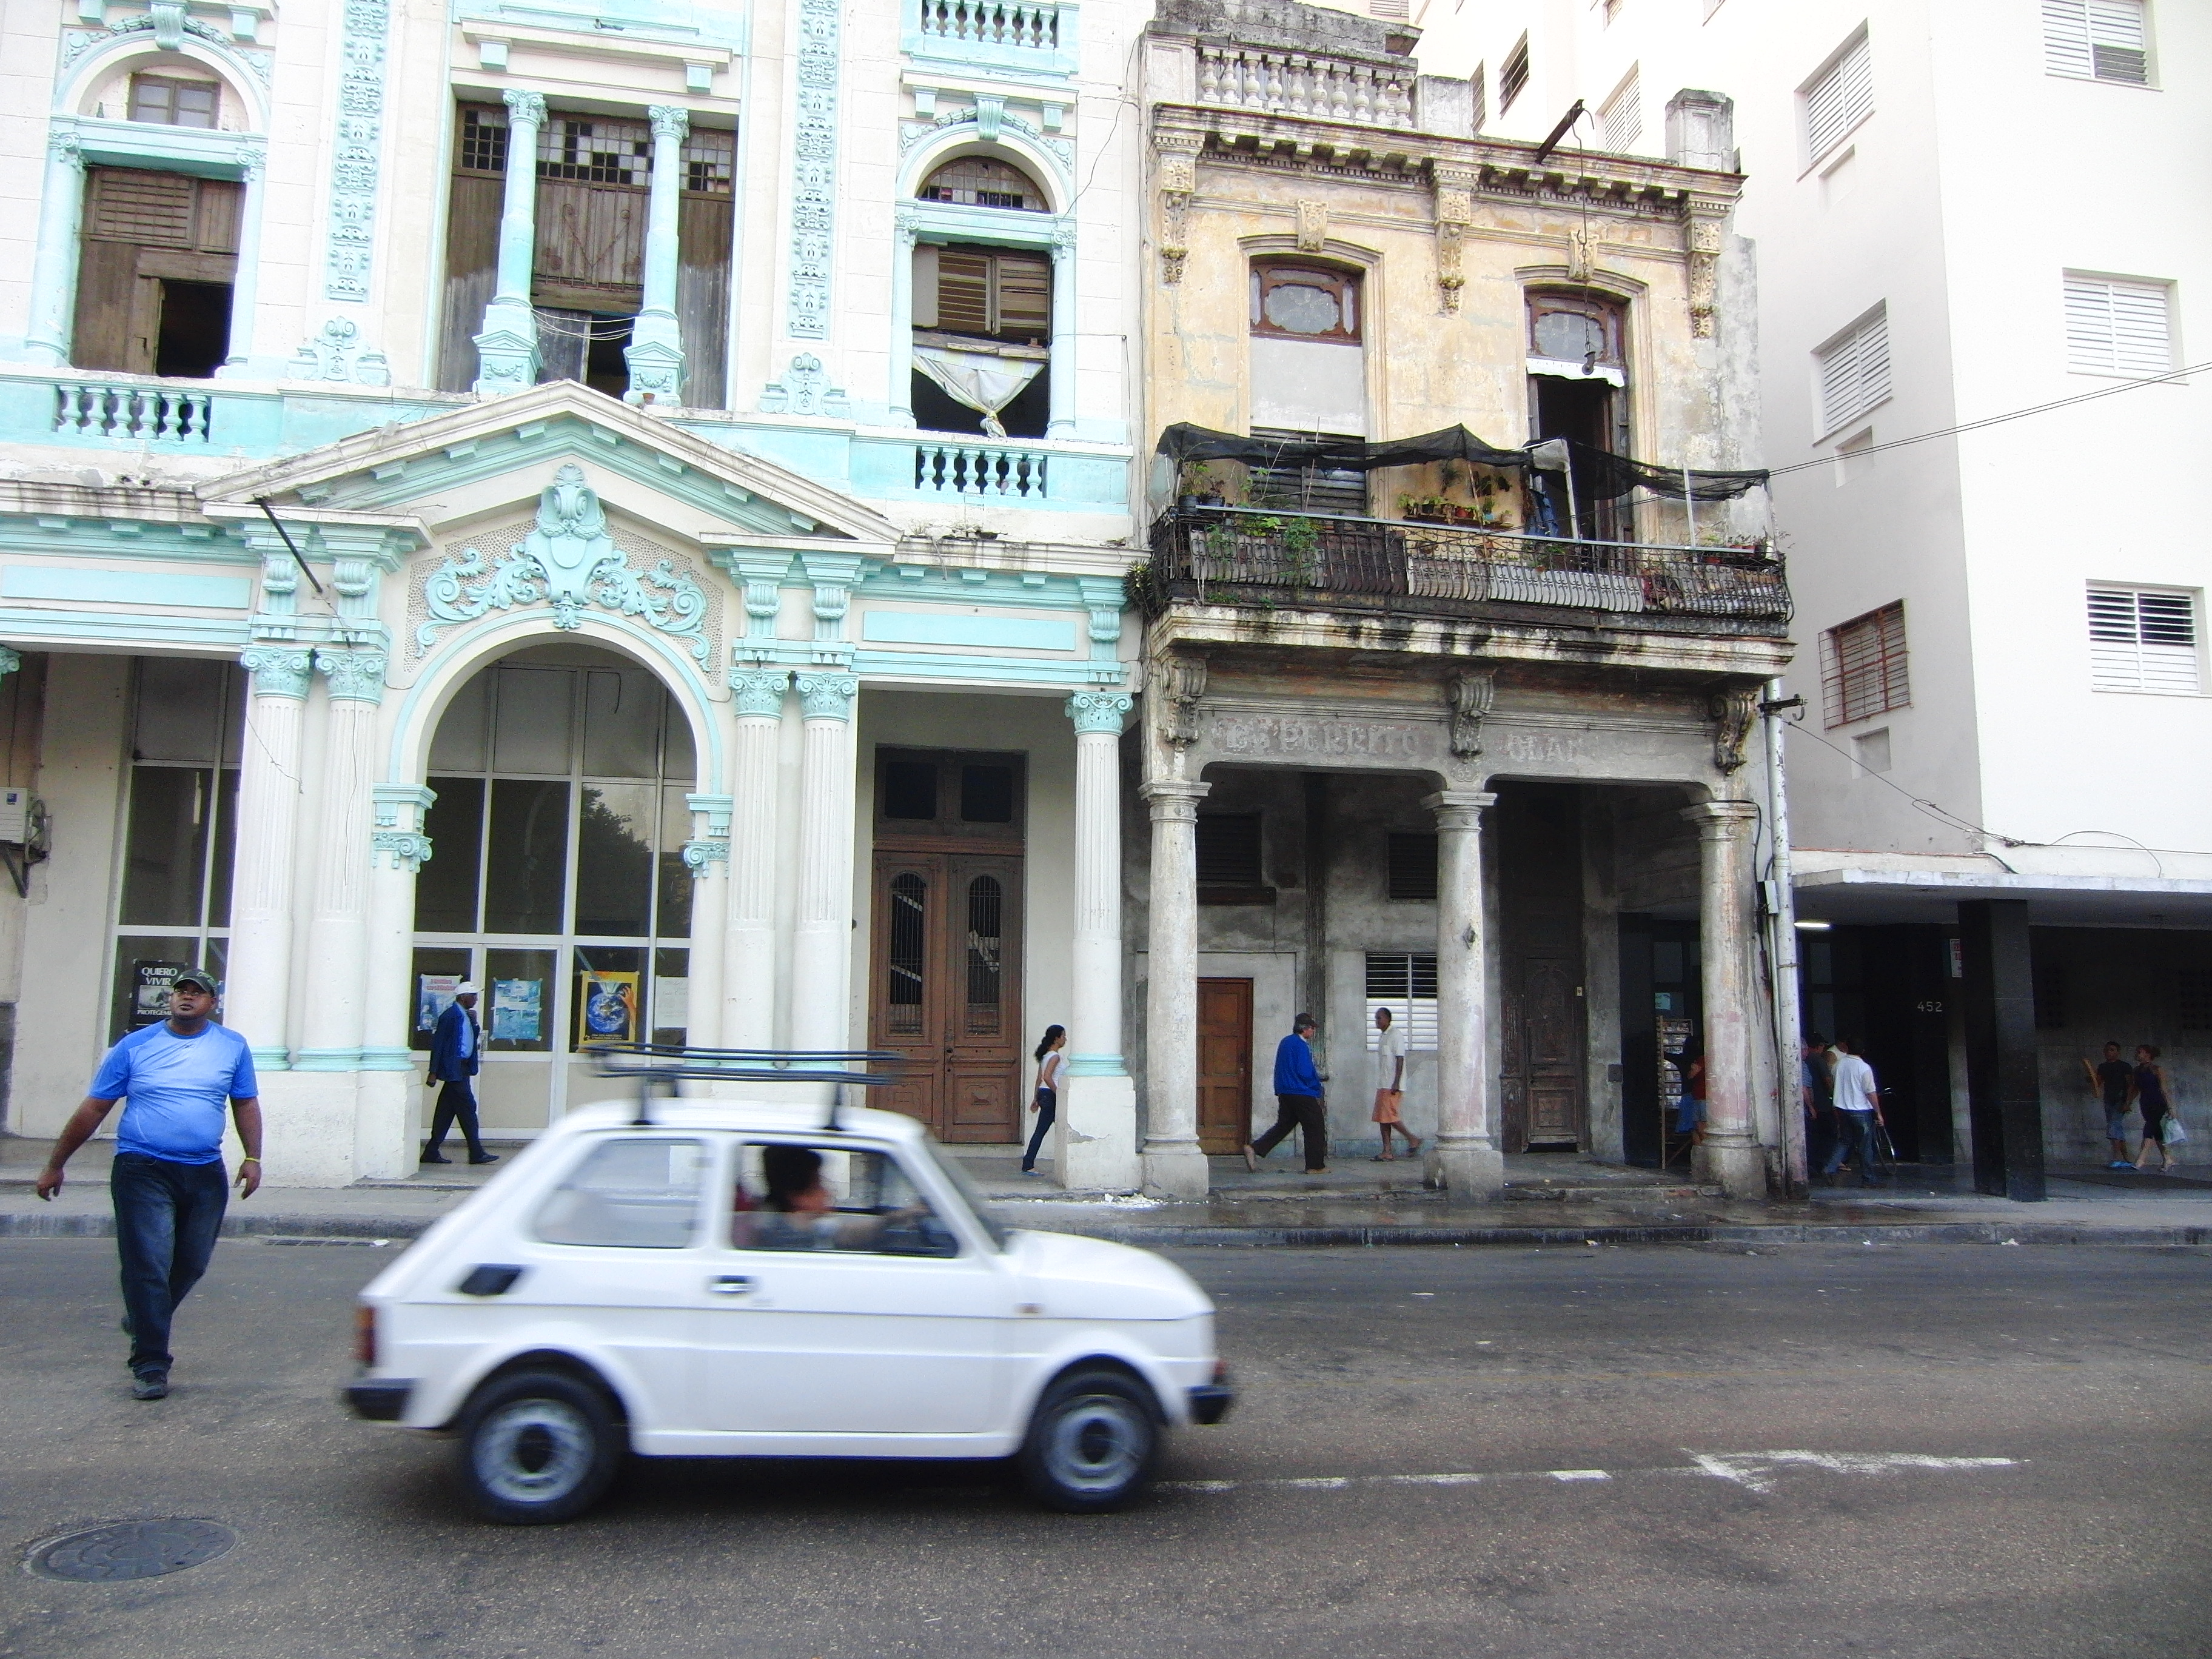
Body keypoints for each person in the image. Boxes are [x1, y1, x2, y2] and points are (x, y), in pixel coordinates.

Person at [34, 971, 261, 1401]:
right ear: (171, 1000)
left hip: (204, 1171)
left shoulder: (232, 1046)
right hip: (143, 1168)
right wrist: (55, 1165)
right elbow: (94, 1108)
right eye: (180, 992)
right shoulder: (134, 1046)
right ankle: (151, 1363)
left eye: (197, 993)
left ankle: (144, 1315)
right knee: (149, 1264)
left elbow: (245, 1103)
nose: (186, 998)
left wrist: (253, 1157)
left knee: (192, 1262)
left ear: (212, 1003)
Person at [751, 1145, 927, 1251]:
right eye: (818, 1185)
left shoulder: (804, 1227)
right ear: (796, 1197)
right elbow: (847, 1235)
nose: (827, 1193)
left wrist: (897, 1218)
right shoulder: (788, 1231)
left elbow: (848, 1233)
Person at [423, 981, 496, 1166]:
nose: (476, 1000)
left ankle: (431, 1150)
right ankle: (476, 1152)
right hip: (454, 1069)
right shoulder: (450, 1016)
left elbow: (470, 1037)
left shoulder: (466, 1016)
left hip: (462, 1069)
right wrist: (433, 1071)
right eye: (473, 996)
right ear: (464, 998)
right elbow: (438, 1044)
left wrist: (474, 1023)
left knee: (446, 1111)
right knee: (468, 1109)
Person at [1246, 1013, 1329, 1174]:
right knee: (1315, 1126)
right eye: (1312, 1028)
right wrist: (1316, 1086)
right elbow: (1305, 1071)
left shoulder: (1285, 1042)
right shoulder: (1301, 1045)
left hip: (1285, 1091)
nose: (1313, 1031)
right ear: (1304, 1029)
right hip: (1301, 1092)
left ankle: (1255, 1148)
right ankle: (1315, 1165)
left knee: (1284, 1125)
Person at [1822, 1036, 1883, 1187]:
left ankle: (1829, 1168)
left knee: (1844, 1140)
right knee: (1865, 1146)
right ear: (1863, 1051)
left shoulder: (1838, 1065)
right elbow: (1870, 1092)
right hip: (1861, 1110)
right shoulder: (1864, 1068)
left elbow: (1833, 1085)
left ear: (1847, 1048)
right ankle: (1868, 1178)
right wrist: (1878, 1112)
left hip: (1842, 1109)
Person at [1370, 1006, 1421, 1162]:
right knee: (1382, 1118)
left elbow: (1400, 1058)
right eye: (1376, 1018)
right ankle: (1387, 1151)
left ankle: (1413, 1139)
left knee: (1391, 1116)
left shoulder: (1395, 1035)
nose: (1377, 1021)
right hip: (1383, 1083)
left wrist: (1396, 1082)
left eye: (1379, 1018)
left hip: (1392, 1085)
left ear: (1388, 1019)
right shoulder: (1383, 1037)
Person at [2082, 1041, 2136, 1171]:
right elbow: (2098, 1083)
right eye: (2107, 1050)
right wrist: (2091, 1078)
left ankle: (2117, 1158)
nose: (2108, 1052)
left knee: (2113, 1127)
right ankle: (2127, 1158)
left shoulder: (2124, 1066)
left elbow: (2131, 1085)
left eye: (2112, 1050)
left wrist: (2128, 1103)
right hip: (2109, 1100)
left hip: (2120, 1100)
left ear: (2118, 1052)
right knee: (2116, 1128)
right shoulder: (2103, 1067)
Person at [1022, 1024, 1066, 1175]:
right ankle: (1028, 1165)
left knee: (1042, 1130)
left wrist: (1035, 1098)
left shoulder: (1045, 1056)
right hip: (1050, 1095)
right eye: (1063, 1036)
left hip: (1043, 1093)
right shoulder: (1055, 1057)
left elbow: (1039, 1079)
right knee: (1048, 1130)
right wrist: (1058, 1093)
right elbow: (1047, 1077)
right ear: (1057, 1038)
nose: (1065, 1039)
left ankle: (1028, 1163)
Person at [2132, 1045, 2182, 1174]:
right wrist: (2128, 1103)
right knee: (2157, 1132)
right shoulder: (2137, 1071)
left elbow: (2164, 1089)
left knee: (2149, 1128)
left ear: (2148, 1054)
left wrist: (2170, 1107)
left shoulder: (2157, 1070)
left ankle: (2141, 1159)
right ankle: (2168, 1158)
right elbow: (2135, 1089)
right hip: (2145, 1103)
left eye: (2140, 1052)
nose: (2137, 1054)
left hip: (2158, 1103)